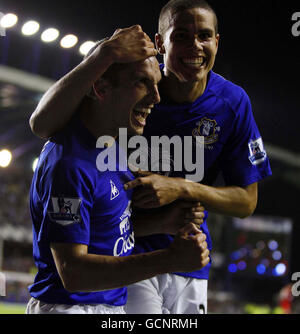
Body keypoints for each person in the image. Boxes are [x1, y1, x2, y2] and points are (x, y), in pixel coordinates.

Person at [29, 0, 272, 314]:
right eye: (181, 36)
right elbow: (42, 125)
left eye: (204, 35)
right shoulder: (124, 90)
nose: (195, 46)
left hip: (187, 252)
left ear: (216, 41)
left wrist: (182, 189)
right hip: (125, 264)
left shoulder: (233, 103)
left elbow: (247, 202)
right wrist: (102, 56)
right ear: (161, 43)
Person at [26, 25, 210, 314]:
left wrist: (163, 224)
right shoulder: (70, 163)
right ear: (100, 87)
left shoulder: (109, 149)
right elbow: (73, 272)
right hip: (70, 308)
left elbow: (100, 234)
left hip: (105, 307)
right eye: (141, 82)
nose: (156, 97)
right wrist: (169, 259)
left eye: (156, 84)